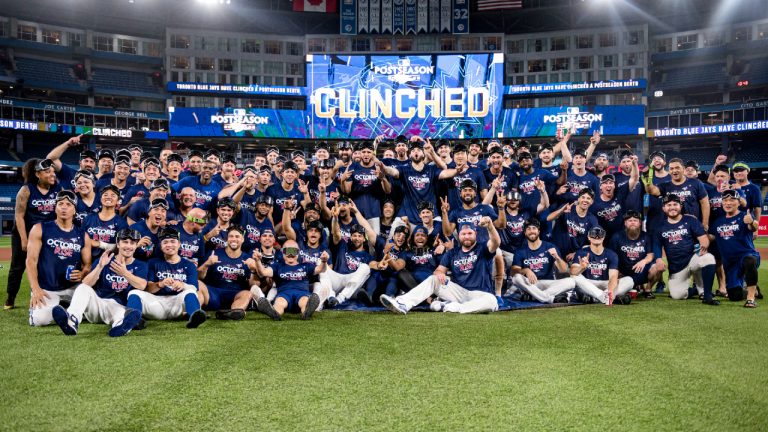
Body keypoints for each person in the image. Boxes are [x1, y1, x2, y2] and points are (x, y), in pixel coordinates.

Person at [380, 217, 501, 314]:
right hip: (459, 293)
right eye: (463, 234)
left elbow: (496, 242)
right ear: (459, 235)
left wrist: (490, 226)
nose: (467, 236)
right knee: (433, 279)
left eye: (470, 233)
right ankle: (403, 303)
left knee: (491, 301)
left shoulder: (483, 248)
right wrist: (439, 274)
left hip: (481, 293)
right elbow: (438, 270)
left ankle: (454, 307)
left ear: (475, 233)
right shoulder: (452, 253)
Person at [51, 228, 147, 337]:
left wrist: (125, 273)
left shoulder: (141, 265)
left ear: (136, 245)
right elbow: (86, 283)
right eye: (125, 242)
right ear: (118, 244)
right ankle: (72, 321)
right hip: (98, 304)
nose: (128, 246)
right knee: (83, 288)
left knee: (123, 315)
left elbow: (142, 285)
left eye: (132, 243)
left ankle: (120, 327)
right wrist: (100, 266)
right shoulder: (105, 260)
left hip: (118, 307)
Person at [26, 190, 92, 326]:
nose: (64, 207)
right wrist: (35, 288)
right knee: (40, 320)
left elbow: (87, 265)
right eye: (60, 204)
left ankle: (66, 308)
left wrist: (82, 273)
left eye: (68, 204)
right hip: (47, 286)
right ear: (55, 207)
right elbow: (31, 261)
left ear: (74, 210)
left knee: (93, 312)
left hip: (73, 286)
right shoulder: (40, 229)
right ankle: (68, 310)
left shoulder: (82, 235)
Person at [5, 158, 62, 309]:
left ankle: (48, 296)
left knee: (46, 266)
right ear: (38, 174)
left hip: (45, 235)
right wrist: (24, 239)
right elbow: (19, 216)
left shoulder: (58, 190)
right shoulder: (26, 190)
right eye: (47, 172)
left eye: (52, 171)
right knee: (17, 267)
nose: (52, 174)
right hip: (24, 233)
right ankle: (10, 297)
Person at [378, 139, 466, 235]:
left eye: (419, 150)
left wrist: (456, 171)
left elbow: (445, 173)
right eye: (413, 151)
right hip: (408, 216)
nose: (416, 152)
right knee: (392, 240)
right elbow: (393, 172)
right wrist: (384, 168)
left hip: (432, 216)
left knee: (445, 240)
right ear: (410, 155)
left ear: (423, 154)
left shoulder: (431, 169)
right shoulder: (404, 169)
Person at [125, 227, 207, 328]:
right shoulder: (152, 263)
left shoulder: (189, 265)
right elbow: (148, 288)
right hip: (156, 304)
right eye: (165, 242)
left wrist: (182, 285)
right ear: (160, 246)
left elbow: (194, 289)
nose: (169, 245)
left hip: (177, 303)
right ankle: (134, 320)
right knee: (134, 293)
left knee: (190, 292)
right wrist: (160, 284)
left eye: (173, 241)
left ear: (179, 244)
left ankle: (194, 317)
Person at [653, 194, 719, 305]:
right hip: (677, 267)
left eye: (675, 204)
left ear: (681, 206)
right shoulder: (660, 226)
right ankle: (694, 290)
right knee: (677, 295)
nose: (672, 207)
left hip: (692, 259)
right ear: (664, 208)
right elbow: (656, 245)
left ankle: (707, 295)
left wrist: (704, 245)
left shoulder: (690, 220)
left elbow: (703, 238)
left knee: (708, 258)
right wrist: (659, 259)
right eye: (668, 205)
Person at [251, 239, 328, 320]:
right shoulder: (277, 266)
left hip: (302, 293)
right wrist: (257, 261)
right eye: (287, 251)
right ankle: (274, 313)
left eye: (293, 251)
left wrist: (324, 261)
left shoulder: (306, 266)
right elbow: (263, 272)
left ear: (298, 252)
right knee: (279, 303)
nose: (290, 254)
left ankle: (307, 312)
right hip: (284, 294)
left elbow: (321, 269)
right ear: (282, 252)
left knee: (305, 301)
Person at [708, 189, 761, 307]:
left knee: (749, 260)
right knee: (734, 296)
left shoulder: (744, 217)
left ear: (738, 202)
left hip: (746, 256)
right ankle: (753, 288)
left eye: (732, 200)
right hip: (730, 264)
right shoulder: (718, 222)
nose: (728, 203)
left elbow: (753, 227)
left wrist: (752, 221)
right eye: (725, 201)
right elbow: (710, 237)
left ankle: (751, 298)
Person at [198, 225, 258, 320]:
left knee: (248, 293)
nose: (234, 239)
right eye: (231, 236)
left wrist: (253, 270)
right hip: (213, 293)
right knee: (197, 283)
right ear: (227, 239)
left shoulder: (248, 259)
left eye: (237, 236)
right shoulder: (214, 253)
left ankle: (234, 312)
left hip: (235, 295)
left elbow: (253, 285)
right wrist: (207, 264)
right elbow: (199, 277)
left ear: (242, 239)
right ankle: (196, 312)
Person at [319, 204, 375, 307]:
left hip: (351, 286)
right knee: (321, 263)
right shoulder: (343, 244)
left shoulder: (367, 255)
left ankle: (340, 299)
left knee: (365, 267)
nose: (357, 238)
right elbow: (336, 233)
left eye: (359, 236)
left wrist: (381, 264)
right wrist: (335, 218)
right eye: (354, 235)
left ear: (364, 238)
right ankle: (330, 296)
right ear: (350, 237)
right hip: (336, 279)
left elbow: (373, 264)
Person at [510, 218, 574, 304]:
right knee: (516, 278)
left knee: (571, 282)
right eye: (528, 229)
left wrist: (557, 258)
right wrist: (526, 270)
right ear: (525, 233)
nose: (531, 231)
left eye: (534, 228)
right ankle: (547, 298)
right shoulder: (520, 251)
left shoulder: (549, 247)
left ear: (539, 231)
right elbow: (513, 272)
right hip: (531, 284)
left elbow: (563, 270)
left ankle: (535, 296)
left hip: (548, 283)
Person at [570, 226, 634, 305]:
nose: (597, 236)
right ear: (588, 237)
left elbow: (613, 277)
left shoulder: (611, 254)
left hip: (606, 283)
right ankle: (603, 297)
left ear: (603, 237)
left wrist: (610, 291)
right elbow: (572, 272)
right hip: (588, 283)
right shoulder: (581, 252)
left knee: (629, 280)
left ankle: (601, 297)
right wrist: (581, 267)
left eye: (600, 234)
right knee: (574, 277)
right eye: (593, 234)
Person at [608, 210, 661, 299]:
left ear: (640, 223)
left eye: (635, 220)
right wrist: (616, 270)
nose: (632, 222)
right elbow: (610, 255)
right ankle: (634, 286)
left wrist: (644, 261)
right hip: (623, 271)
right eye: (630, 221)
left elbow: (650, 255)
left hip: (640, 270)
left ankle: (648, 290)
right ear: (625, 223)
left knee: (658, 267)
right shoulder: (617, 236)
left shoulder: (646, 236)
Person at [548, 188, 599, 261]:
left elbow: (595, 242)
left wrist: (576, 253)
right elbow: (549, 218)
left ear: (592, 202)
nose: (585, 200)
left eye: (588, 198)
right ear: (578, 199)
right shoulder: (567, 208)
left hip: (573, 256)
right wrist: (561, 211)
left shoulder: (592, 220)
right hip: (556, 251)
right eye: (583, 197)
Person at [82, 185, 129, 261]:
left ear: (118, 201)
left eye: (113, 195)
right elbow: (81, 241)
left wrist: (99, 244)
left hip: (109, 264)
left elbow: (121, 248)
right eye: (105, 195)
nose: (108, 197)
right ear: (100, 199)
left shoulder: (122, 223)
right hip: (86, 261)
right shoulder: (89, 218)